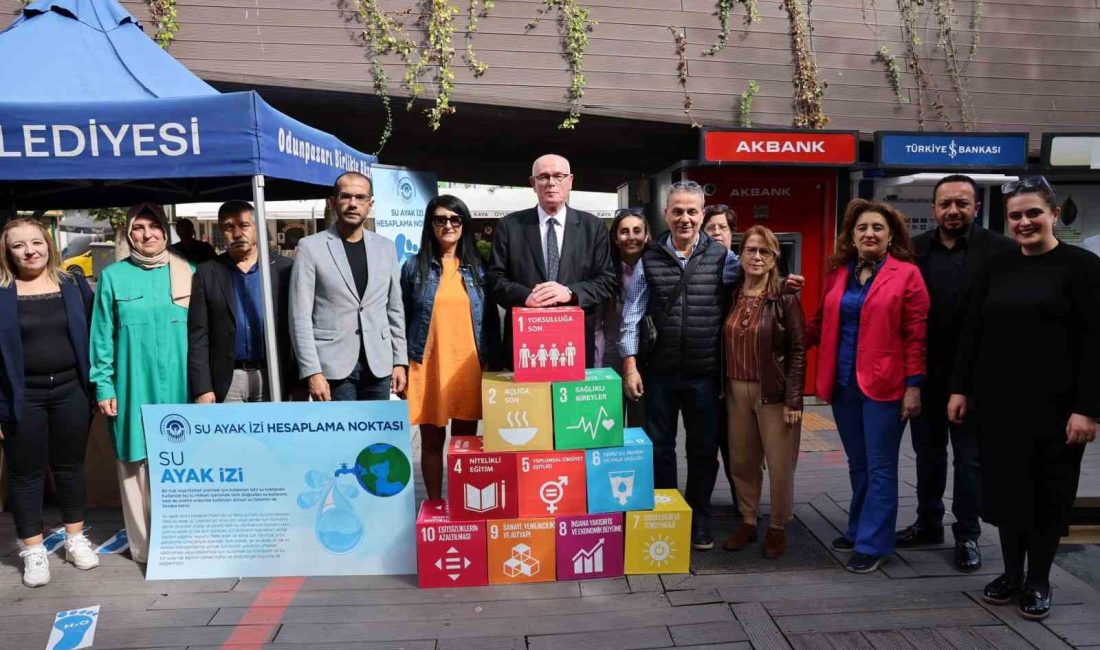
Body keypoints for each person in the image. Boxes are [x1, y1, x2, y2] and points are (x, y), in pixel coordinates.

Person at [619, 182, 805, 550]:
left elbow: (756, 280)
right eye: (677, 211)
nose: (685, 218)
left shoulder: (724, 259)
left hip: (707, 374)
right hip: (659, 372)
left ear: (703, 216)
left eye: (692, 211)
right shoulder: (650, 258)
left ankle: (699, 515)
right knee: (660, 447)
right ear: (666, 215)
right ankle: (666, 511)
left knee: (703, 450)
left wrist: (782, 287)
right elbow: (632, 314)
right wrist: (630, 365)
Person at [949, 176, 1100, 620]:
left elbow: (1097, 344)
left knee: (1048, 496)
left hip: (1058, 410)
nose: (1024, 221)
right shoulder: (995, 267)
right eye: (1015, 215)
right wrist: (960, 389)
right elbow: (971, 333)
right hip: (999, 405)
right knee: (1005, 494)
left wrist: (1088, 409)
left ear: (1054, 214)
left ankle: (1038, 580)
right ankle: (1011, 573)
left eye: (1033, 212)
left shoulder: (1083, 268)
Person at [896, 175, 1014, 572]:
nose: (953, 211)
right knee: (927, 456)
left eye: (962, 203)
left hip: (975, 378)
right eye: (945, 204)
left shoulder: (1000, 251)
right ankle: (928, 524)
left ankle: (967, 535)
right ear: (934, 208)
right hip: (926, 374)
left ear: (976, 207)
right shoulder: (915, 250)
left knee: (969, 461)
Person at [806, 199, 929, 574]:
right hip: (844, 384)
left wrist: (914, 386)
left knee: (879, 466)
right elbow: (819, 322)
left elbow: (916, 336)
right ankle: (860, 527)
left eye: (877, 227)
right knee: (857, 463)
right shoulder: (840, 273)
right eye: (862, 228)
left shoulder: (907, 275)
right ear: (852, 237)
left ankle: (874, 543)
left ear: (891, 235)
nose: (869, 233)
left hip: (886, 386)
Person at [90, 203, 193, 564]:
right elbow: (101, 336)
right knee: (135, 463)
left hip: (182, 387)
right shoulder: (113, 277)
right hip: (132, 383)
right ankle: (146, 549)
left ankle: (181, 542)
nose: (147, 234)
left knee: (182, 462)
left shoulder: (187, 271)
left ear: (166, 231)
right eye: (138, 228)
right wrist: (104, 385)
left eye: (154, 226)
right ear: (129, 235)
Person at [0, 219, 98, 587]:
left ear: (49, 244)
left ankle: (75, 540)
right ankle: (34, 551)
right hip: (20, 396)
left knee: (70, 468)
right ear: (7, 252)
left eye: (36, 242)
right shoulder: (1, 291)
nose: (30, 251)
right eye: (19, 245)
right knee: (25, 475)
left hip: (71, 391)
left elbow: (94, 336)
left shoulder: (72, 285)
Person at [401, 195, 499, 500]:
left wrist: (496, 363)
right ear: (430, 224)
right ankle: (435, 503)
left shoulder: (480, 269)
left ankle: (461, 507)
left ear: (464, 224)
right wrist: (399, 364)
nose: (448, 225)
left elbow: (493, 321)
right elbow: (400, 317)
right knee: (431, 442)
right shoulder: (413, 268)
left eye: (455, 219)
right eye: (440, 219)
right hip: (427, 365)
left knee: (464, 444)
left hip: (469, 365)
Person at [721, 226, 806, 559]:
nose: (756, 257)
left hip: (773, 393)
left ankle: (778, 527)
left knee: (780, 464)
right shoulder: (732, 293)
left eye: (765, 252)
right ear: (741, 256)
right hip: (734, 388)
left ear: (774, 259)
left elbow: (798, 349)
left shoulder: (785, 297)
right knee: (742, 460)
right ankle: (747, 519)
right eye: (751, 250)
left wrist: (794, 399)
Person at [487, 154, 617, 368]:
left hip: (574, 344)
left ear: (570, 181)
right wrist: (526, 296)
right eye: (543, 177)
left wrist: (570, 293)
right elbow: (494, 278)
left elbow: (606, 281)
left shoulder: (593, 227)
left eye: (558, 176)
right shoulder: (509, 226)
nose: (551, 183)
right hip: (525, 346)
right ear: (533, 183)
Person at [289, 172, 407, 401]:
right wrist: (312, 371)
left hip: (379, 365)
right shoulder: (310, 247)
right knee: (342, 437)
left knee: (378, 436)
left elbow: (395, 309)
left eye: (361, 197)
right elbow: (299, 317)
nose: (353, 204)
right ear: (333, 202)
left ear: (370, 204)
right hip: (332, 367)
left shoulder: (386, 248)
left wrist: (399, 360)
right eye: (346, 197)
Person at [188, 200, 296, 403]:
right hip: (227, 380)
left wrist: (299, 380)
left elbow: (298, 328)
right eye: (229, 227)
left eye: (244, 225)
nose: (237, 234)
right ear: (222, 231)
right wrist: (202, 387)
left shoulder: (284, 269)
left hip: (272, 374)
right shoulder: (207, 273)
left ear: (257, 228)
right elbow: (198, 334)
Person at [596, 207, 649, 427]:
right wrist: (597, 369)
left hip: (646, 362)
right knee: (609, 429)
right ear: (615, 238)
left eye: (637, 231)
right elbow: (597, 326)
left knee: (642, 429)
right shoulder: (604, 272)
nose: (631, 237)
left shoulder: (657, 269)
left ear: (647, 236)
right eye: (624, 232)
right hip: (610, 362)